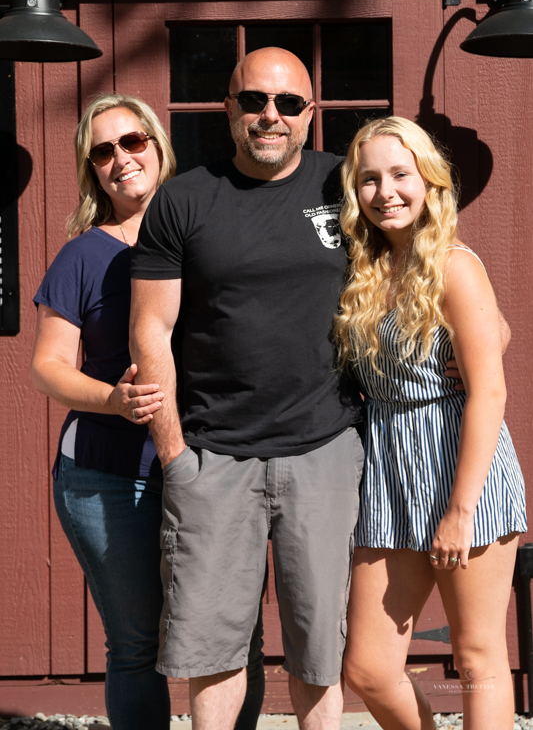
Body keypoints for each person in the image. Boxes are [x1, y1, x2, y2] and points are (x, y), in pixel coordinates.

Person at [128, 47, 366, 730]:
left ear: (309, 114)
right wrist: (175, 453)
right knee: (215, 650)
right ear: (228, 109)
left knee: (318, 651)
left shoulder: (343, 186)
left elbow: (417, 264)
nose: (271, 116)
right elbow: (151, 326)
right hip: (213, 455)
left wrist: (459, 347)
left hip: (322, 450)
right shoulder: (184, 199)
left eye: (288, 103)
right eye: (254, 101)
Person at [30, 93, 265, 730]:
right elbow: (47, 366)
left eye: (133, 142)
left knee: (233, 637)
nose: (121, 159)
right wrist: (112, 399)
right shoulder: (83, 255)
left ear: (159, 147)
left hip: (220, 463)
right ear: (91, 170)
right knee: (136, 645)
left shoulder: (211, 228)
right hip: (108, 475)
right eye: (102, 151)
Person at [334, 116, 527, 730]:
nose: (385, 191)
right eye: (369, 179)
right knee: (367, 668)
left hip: (462, 473)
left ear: (430, 182)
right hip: (390, 474)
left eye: (400, 174)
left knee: (477, 660)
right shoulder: (365, 271)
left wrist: (461, 508)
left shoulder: (454, 265)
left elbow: (488, 392)